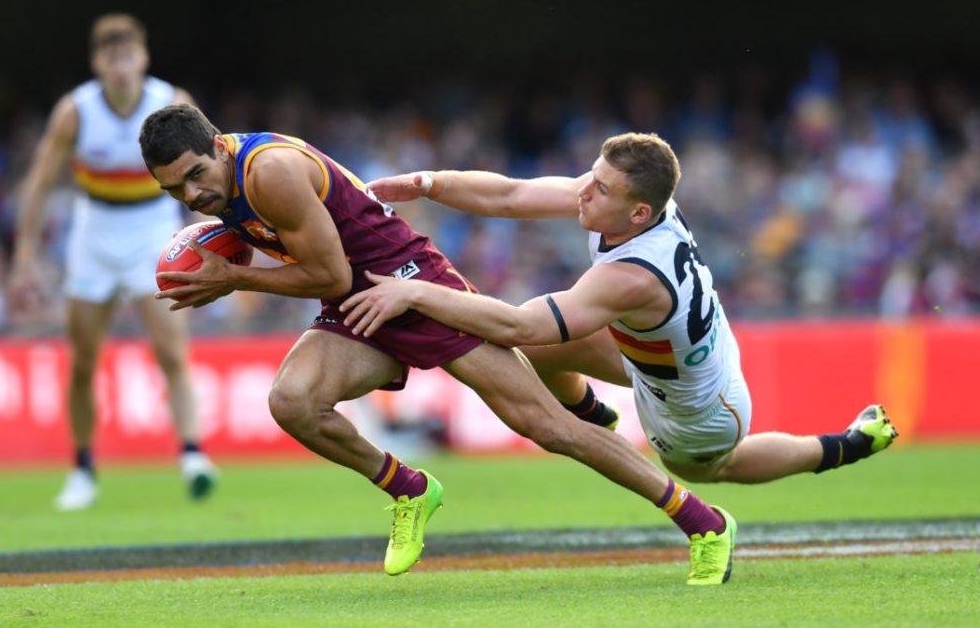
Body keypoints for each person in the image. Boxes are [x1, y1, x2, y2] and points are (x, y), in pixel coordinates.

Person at [140, 105, 737, 585]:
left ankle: (702, 522)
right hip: (356, 302)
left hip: (408, 284)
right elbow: (335, 284)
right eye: (175, 189)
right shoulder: (223, 189)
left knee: (545, 426)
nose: (192, 195)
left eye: (196, 174)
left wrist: (235, 276)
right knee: (292, 402)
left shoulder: (267, 172)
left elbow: (328, 275)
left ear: (219, 146)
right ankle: (410, 489)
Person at [341, 132, 899, 489]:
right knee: (538, 353)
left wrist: (412, 291)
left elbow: (517, 322)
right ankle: (593, 415)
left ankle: (841, 447)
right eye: (591, 177)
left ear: (637, 213)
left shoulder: (631, 276)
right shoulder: (636, 205)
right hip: (659, 354)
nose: (585, 193)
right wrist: (427, 183)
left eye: (600, 188)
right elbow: (511, 196)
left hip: (697, 413)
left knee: (713, 471)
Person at [9, 14, 217, 511]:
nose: (121, 66)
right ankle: (82, 467)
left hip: (152, 231)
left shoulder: (172, 102)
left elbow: (216, 165)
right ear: (97, 62)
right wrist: (24, 254)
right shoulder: (76, 111)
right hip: (95, 234)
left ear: (144, 58)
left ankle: (192, 455)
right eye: (111, 56)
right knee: (82, 362)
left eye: (129, 55)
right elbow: (38, 181)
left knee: (171, 352)